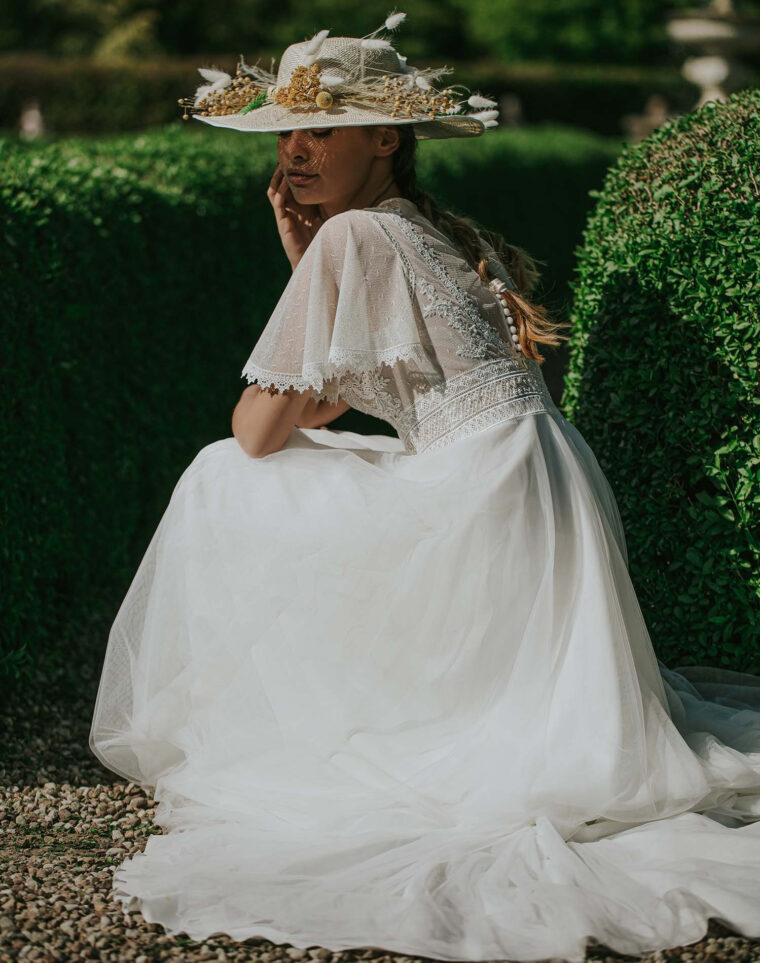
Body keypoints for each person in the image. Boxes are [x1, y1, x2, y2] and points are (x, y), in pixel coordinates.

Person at [89, 13, 760, 962]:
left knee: (219, 474)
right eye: (286, 133)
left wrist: (306, 259)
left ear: (388, 137)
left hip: (483, 493)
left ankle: (296, 717)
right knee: (291, 469)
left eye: (321, 129)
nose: (297, 153)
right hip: (539, 481)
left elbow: (261, 426)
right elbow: (325, 405)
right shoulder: (427, 227)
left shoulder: (353, 237)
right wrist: (305, 263)